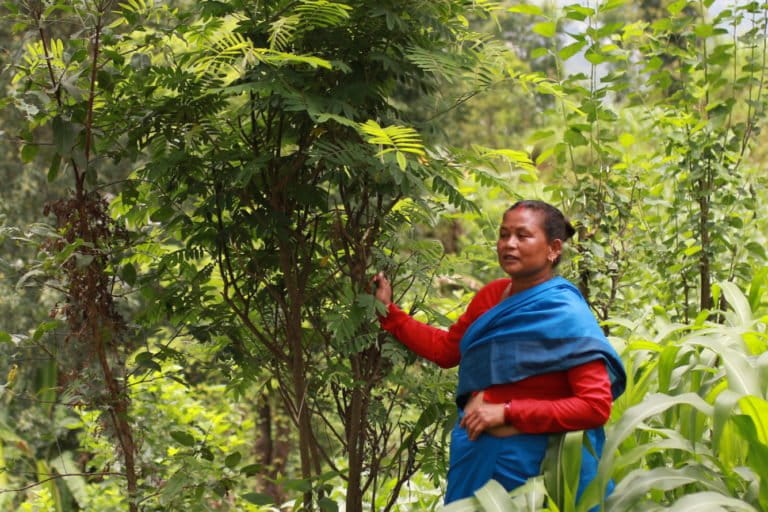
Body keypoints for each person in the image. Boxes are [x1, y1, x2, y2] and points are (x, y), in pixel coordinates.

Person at [373, 200, 626, 504]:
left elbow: (594, 406)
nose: (509, 244)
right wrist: (389, 313)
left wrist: (506, 411)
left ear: (553, 248)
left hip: (533, 473)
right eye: (504, 234)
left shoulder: (567, 314)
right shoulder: (491, 296)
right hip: (475, 459)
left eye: (523, 236)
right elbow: (446, 350)